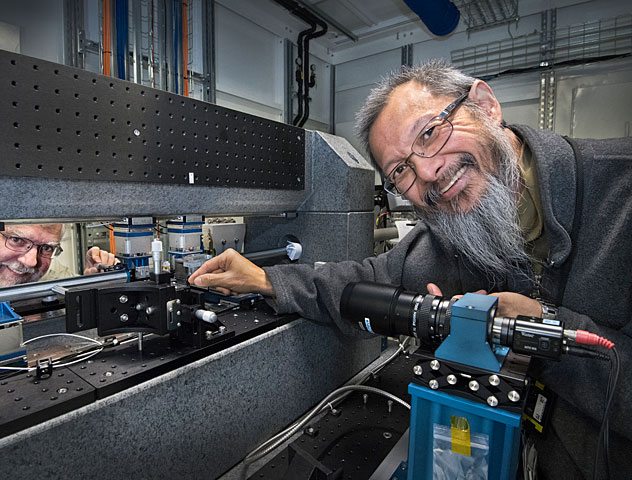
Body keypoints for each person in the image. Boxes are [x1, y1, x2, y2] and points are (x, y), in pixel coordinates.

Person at [189, 60, 632, 478]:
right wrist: (267, 279)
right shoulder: (450, 237)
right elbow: (366, 280)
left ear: (485, 106)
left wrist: (547, 329)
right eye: (401, 170)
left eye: (429, 133)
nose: (428, 172)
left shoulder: (620, 191)